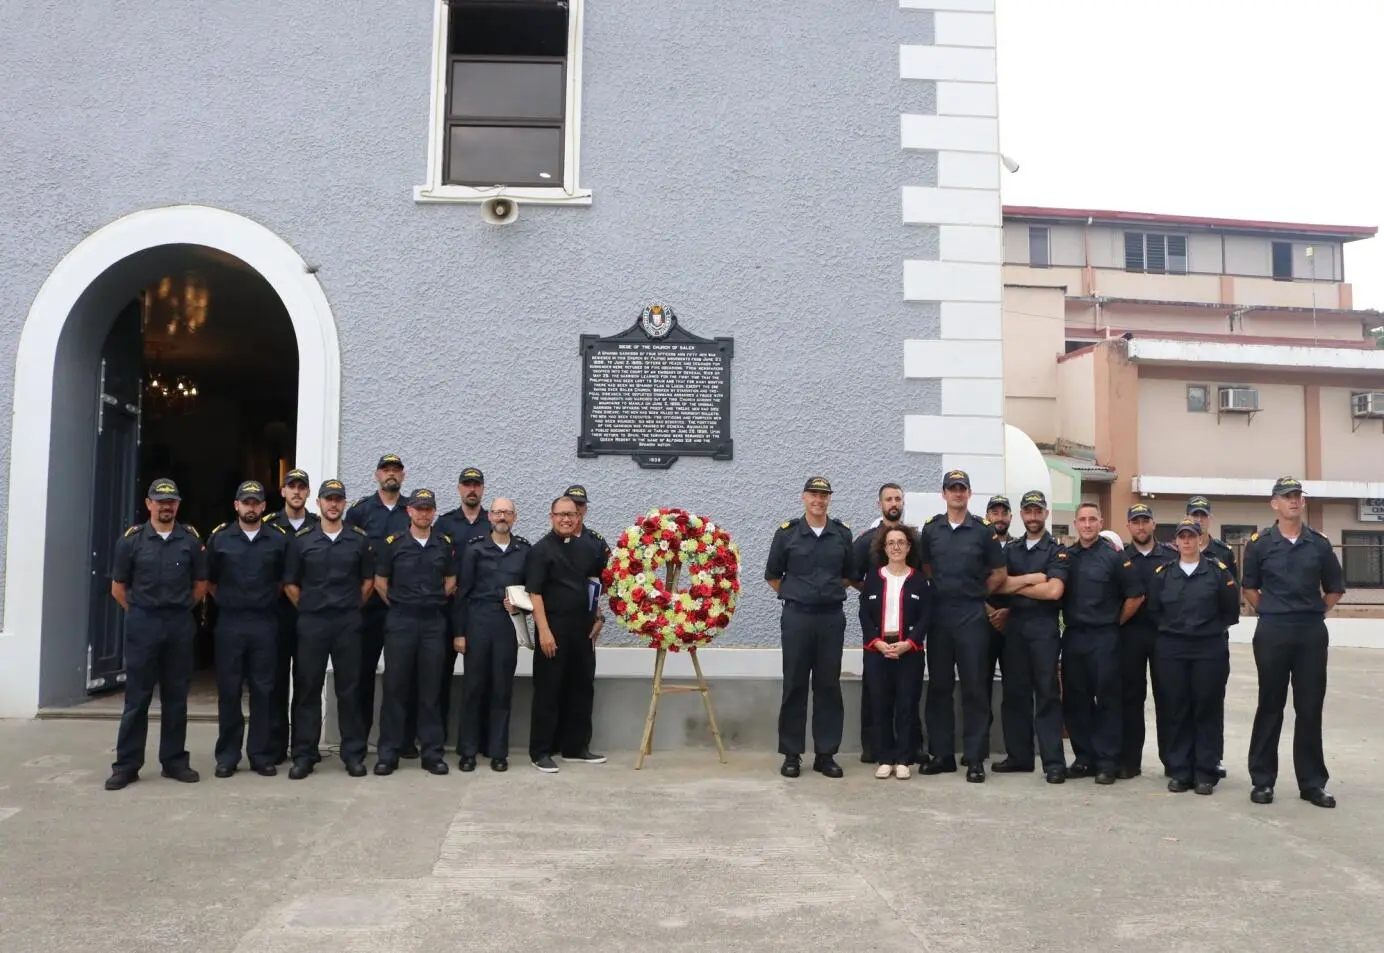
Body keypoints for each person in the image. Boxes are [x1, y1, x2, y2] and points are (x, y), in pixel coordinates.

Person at [1243, 476, 1346, 809]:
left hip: (1309, 633)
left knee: (1310, 707)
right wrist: (1274, 613)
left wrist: (1311, 613)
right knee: (1270, 706)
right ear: (1274, 503)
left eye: (1298, 496)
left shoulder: (1318, 543)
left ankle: (1312, 783)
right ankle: (1262, 780)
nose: (1293, 501)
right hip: (1273, 632)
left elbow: (1334, 588)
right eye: (1287, 497)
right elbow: (1250, 588)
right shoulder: (1259, 543)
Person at [104, 479, 208, 791]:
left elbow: (201, 584)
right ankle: (126, 765)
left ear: (178, 505)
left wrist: (180, 610)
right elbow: (118, 588)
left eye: (172, 502)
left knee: (176, 698)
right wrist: (140, 614)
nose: (166, 507)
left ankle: (174, 761)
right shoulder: (132, 541)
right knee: (137, 698)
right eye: (160, 501)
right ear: (149, 504)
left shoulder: (190, 541)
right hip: (144, 625)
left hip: (178, 624)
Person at [764, 476, 856, 779]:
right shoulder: (787, 533)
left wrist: (823, 592)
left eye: (824, 495)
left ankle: (826, 754)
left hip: (830, 617)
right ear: (804, 497)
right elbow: (773, 575)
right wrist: (799, 594)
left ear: (829, 499)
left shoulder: (841, 534)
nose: (819, 500)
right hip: (797, 618)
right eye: (813, 495)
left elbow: (848, 575)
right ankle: (791, 754)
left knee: (828, 685)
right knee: (794, 684)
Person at [283, 479, 374, 780]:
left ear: (344, 504)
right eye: (328, 499)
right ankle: (304, 754)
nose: (333, 504)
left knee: (349, 689)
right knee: (308, 688)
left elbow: (368, 582)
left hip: (347, 623)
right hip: (313, 623)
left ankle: (353, 754)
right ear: (318, 503)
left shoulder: (358, 540)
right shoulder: (303, 540)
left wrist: (348, 607)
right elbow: (291, 584)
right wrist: (310, 607)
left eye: (338, 499)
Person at [918, 470, 1005, 782]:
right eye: (952, 489)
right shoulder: (931, 530)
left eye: (962, 489)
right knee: (939, 686)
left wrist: (978, 594)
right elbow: (926, 566)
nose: (957, 494)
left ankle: (975, 758)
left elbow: (999, 572)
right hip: (940, 614)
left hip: (971, 615)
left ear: (969, 494)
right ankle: (942, 755)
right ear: (943, 494)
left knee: (974, 687)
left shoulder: (982, 530)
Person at [1147, 518, 1239, 796]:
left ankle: (1205, 772)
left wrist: (1206, 631)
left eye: (1192, 536)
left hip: (1208, 649)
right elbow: (1154, 611)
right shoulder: (1163, 574)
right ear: (1176, 541)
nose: (1187, 541)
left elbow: (1230, 612)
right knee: (1176, 709)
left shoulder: (1218, 572)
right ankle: (1180, 770)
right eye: (1182, 537)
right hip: (1172, 649)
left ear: (1201, 539)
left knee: (1206, 708)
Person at [206, 480, 289, 778]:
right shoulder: (220, 538)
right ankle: (228, 755)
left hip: (265, 622)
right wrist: (230, 601)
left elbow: (283, 580)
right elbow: (209, 581)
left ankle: (261, 754)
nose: (251, 507)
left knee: (263, 690)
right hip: (230, 622)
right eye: (246, 502)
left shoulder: (278, 539)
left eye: (256, 502)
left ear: (264, 506)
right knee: (229, 690)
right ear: (236, 505)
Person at [373, 488, 457, 776]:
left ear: (433, 512)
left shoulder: (443, 544)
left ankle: (432, 753)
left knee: (431, 689)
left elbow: (451, 581)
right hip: (401, 622)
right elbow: (380, 582)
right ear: (409, 511)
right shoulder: (393, 543)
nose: (423, 513)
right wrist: (401, 604)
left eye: (428, 508)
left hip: (433, 623)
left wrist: (430, 601)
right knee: (395, 687)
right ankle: (389, 753)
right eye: (418, 508)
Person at [1060, 502, 1144, 784]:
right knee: (1076, 700)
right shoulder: (1066, 557)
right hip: (1074, 636)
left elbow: (1135, 596)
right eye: (1082, 520)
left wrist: (1113, 622)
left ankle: (1108, 761)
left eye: (1092, 519)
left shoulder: (1115, 557)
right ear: (1075, 523)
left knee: (1108, 700)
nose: (1086, 524)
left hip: (1105, 637)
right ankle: (1084, 758)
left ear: (1100, 522)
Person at [990, 490, 1069, 782]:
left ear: (1046, 514)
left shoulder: (1056, 549)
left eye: (1038, 512)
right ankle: (1019, 757)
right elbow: (996, 586)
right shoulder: (1010, 549)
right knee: (1015, 695)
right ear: (1021, 515)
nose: (1033, 517)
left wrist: (1015, 585)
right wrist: (1033, 579)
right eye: (1028, 511)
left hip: (1044, 629)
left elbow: (1053, 591)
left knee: (1047, 695)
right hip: (1015, 629)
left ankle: (1053, 763)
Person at [526, 495, 608, 773]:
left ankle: (576, 747)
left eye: (571, 514)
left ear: (579, 517)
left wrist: (598, 617)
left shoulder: (589, 548)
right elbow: (534, 594)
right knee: (548, 691)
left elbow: (594, 584)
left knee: (582, 689)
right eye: (560, 514)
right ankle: (541, 751)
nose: (566, 519)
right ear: (551, 517)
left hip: (582, 631)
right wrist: (544, 632)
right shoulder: (540, 550)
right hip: (553, 630)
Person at [454, 498, 530, 772]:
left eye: (507, 513)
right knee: (473, 688)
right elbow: (462, 593)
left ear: (514, 518)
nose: (502, 517)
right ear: (490, 516)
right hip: (478, 620)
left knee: (501, 689)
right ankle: (468, 752)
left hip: (507, 624)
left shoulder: (523, 550)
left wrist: (521, 606)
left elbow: (531, 592)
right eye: (498, 512)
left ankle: (498, 751)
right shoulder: (475, 549)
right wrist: (459, 633)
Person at [344, 453, 412, 753]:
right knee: (362, 675)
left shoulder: (412, 510)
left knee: (402, 676)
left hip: (401, 606)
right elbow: (349, 556)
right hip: (367, 607)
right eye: (386, 470)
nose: (391, 474)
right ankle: (359, 741)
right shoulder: (360, 511)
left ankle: (402, 741)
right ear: (377, 475)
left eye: (396, 470)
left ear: (403, 476)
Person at [849, 483, 922, 764]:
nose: (894, 503)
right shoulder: (865, 540)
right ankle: (873, 749)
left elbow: (923, 576)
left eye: (898, 498)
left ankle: (910, 749)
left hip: (907, 630)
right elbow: (851, 575)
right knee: (875, 694)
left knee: (908, 696)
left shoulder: (914, 538)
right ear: (880, 504)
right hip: (877, 631)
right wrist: (875, 596)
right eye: (888, 499)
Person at [858, 525, 931, 780]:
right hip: (878, 650)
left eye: (902, 542)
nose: (897, 547)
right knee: (880, 704)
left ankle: (903, 759)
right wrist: (876, 642)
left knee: (907, 705)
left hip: (908, 651)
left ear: (909, 547)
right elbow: (864, 615)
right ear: (884, 547)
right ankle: (885, 757)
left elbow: (926, 616)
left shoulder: (919, 580)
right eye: (891, 543)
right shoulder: (874, 578)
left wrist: (909, 642)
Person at [263, 468, 318, 764]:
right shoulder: (269, 526)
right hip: (278, 616)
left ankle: (303, 747)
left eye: (302, 487)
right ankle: (275, 747)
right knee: (276, 683)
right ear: (282, 491)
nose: (296, 492)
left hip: (310, 617)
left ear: (308, 493)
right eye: (291, 486)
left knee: (307, 683)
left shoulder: (319, 525)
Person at [1119, 503, 1176, 779]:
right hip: (1130, 635)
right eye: (1135, 522)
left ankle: (1172, 760)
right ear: (1128, 526)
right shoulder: (1119, 557)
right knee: (1130, 699)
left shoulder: (1170, 556)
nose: (1141, 526)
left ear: (1154, 524)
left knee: (1168, 698)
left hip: (1163, 635)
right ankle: (1130, 761)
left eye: (1145, 521)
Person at [436, 466, 492, 743]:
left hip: (479, 610)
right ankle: (437, 736)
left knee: (480, 677)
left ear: (482, 489)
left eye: (476, 485)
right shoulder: (445, 524)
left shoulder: (491, 523)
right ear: (459, 488)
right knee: (439, 675)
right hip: (446, 610)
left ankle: (478, 738)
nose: (472, 489)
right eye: (466, 484)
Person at [1187, 495, 1237, 780]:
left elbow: (1232, 594)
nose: (1198, 520)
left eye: (1202, 515)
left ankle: (1213, 757)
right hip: (1183, 637)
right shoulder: (1176, 550)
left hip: (1213, 637)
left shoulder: (1223, 552)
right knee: (1185, 700)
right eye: (1194, 515)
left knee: (1212, 699)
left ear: (1209, 519)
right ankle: (1188, 756)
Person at [977, 494, 1015, 766]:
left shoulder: (1020, 547)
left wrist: (1009, 612)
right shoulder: (978, 545)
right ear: (987, 515)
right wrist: (990, 612)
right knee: (980, 688)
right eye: (995, 513)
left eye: (1004, 513)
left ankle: (1015, 753)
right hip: (982, 622)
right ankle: (978, 749)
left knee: (1014, 690)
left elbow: (1023, 585)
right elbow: (969, 583)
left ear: (1011, 517)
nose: (999, 518)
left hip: (1013, 624)